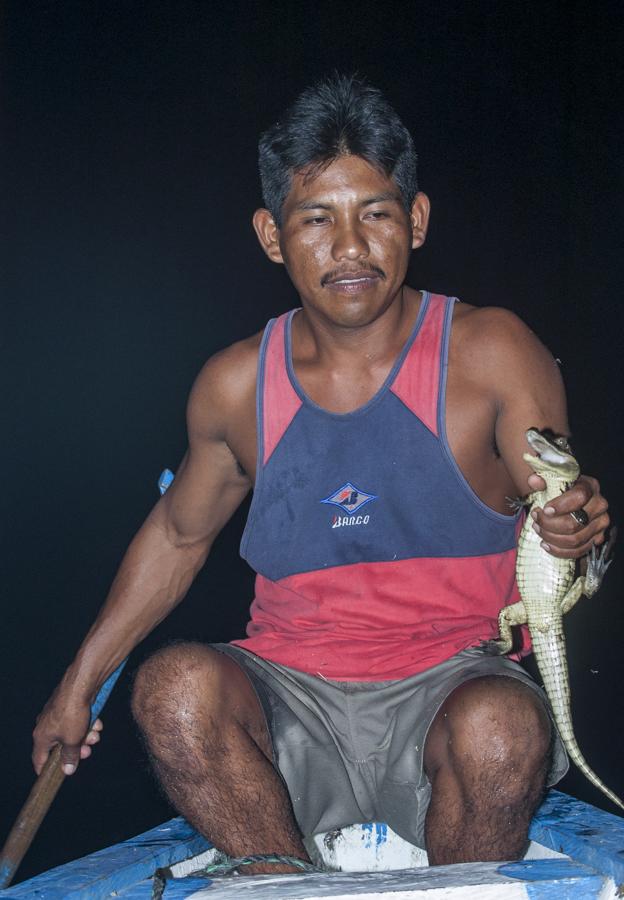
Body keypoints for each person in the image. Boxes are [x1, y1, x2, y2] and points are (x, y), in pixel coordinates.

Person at [33, 74, 610, 870]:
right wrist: (77, 683)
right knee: (172, 691)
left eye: (375, 213)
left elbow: (563, 496)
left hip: (451, 692)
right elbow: (177, 533)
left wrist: (578, 524)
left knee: (502, 728)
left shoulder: (493, 352)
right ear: (272, 235)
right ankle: (280, 880)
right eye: (316, 220)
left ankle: (459, 886)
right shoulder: (235, 385)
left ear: (416, 219)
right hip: (290, 704)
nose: (349, 248)